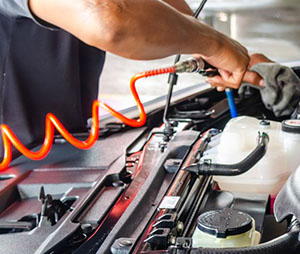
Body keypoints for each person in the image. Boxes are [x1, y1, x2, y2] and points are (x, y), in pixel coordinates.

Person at [0, 0, 264, 147]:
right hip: (13, 192)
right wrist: (214, 45)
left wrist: (232, 58)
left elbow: (167, 8)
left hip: (61, 158)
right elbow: (108, 16)